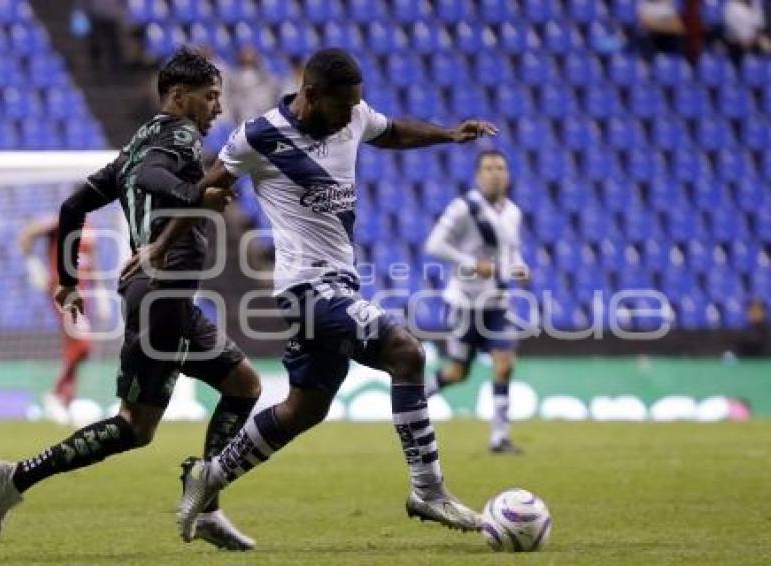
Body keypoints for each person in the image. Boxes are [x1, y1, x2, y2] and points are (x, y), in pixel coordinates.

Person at [126, 48, 499, 544]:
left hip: (340, 283)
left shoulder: (353, 116)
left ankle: (210, 475)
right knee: (407, 353)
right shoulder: (258, 136)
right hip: (305, 288)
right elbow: (203, 189)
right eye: (342, 107)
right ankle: (427, 490)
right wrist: (159, 246)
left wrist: (449, 134)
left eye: (355, 107)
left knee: (305, 409)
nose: (351, 117)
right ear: (312, 94)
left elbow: (393, 132)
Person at [0, 47, 262, 551]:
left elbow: (73, 205)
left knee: (243, 384)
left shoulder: (134, 145)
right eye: (210, 97)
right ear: (179, 97)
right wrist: (198, 196)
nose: (217, 108)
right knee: (134, 428)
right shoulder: (178, 136)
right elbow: (160, 179)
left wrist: (67, 280)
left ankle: (208, 504)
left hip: (167, 296)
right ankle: (16, 476)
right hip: (162, 293)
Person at [423, 150, 529, 454]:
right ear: (477, 175)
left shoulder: (513, 212)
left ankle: (500, 437)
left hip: (497, 302)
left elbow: (512, 250)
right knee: (458, 373)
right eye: (488, 168)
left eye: (500, 167)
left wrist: (519, 265)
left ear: (507, 175)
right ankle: (415, 398)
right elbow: (434, 245)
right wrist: (471, 262)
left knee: (505, 363)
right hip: (465, 304)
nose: (495, 173)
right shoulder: (463, 208)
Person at [18, 214, 110, 425]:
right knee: (83, 343)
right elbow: (28, 233)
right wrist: (33, 264)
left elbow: (91, 259)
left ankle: (64, 399)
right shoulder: (61, 220)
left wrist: (101, 292)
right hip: (64, 290)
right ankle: (57, 394)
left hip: (84, 292)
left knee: (77, 347)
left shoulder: (91, 227)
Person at [225, 44, 280, 124]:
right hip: (242, 117)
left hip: (260, 115)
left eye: (250, 53)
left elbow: (271, 94)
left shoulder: (264, 76)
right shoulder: (234, 77)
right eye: (245, 53)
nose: (248, 56)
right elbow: (232, 101)